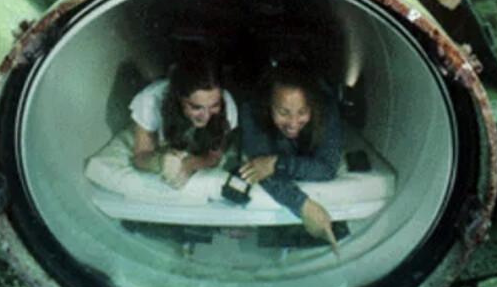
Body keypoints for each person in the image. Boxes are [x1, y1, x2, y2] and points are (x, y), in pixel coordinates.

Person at [239, 65, 343, 251]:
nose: (293, 124)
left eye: (302, 112)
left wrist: (278, 164)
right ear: (269, 105)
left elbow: (327, 168)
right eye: (284, 112)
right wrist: (303, 205)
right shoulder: (251, 109)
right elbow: (258, 167)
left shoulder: (326, 108)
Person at [130, 60, 238, 188]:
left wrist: (190, 164)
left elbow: (215, 155)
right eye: (196, 107)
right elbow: (140, 155)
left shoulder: (227, 104)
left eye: (214, 106)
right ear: (179, 100)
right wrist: (159, 162)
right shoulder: (149, 100)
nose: (206, 116)